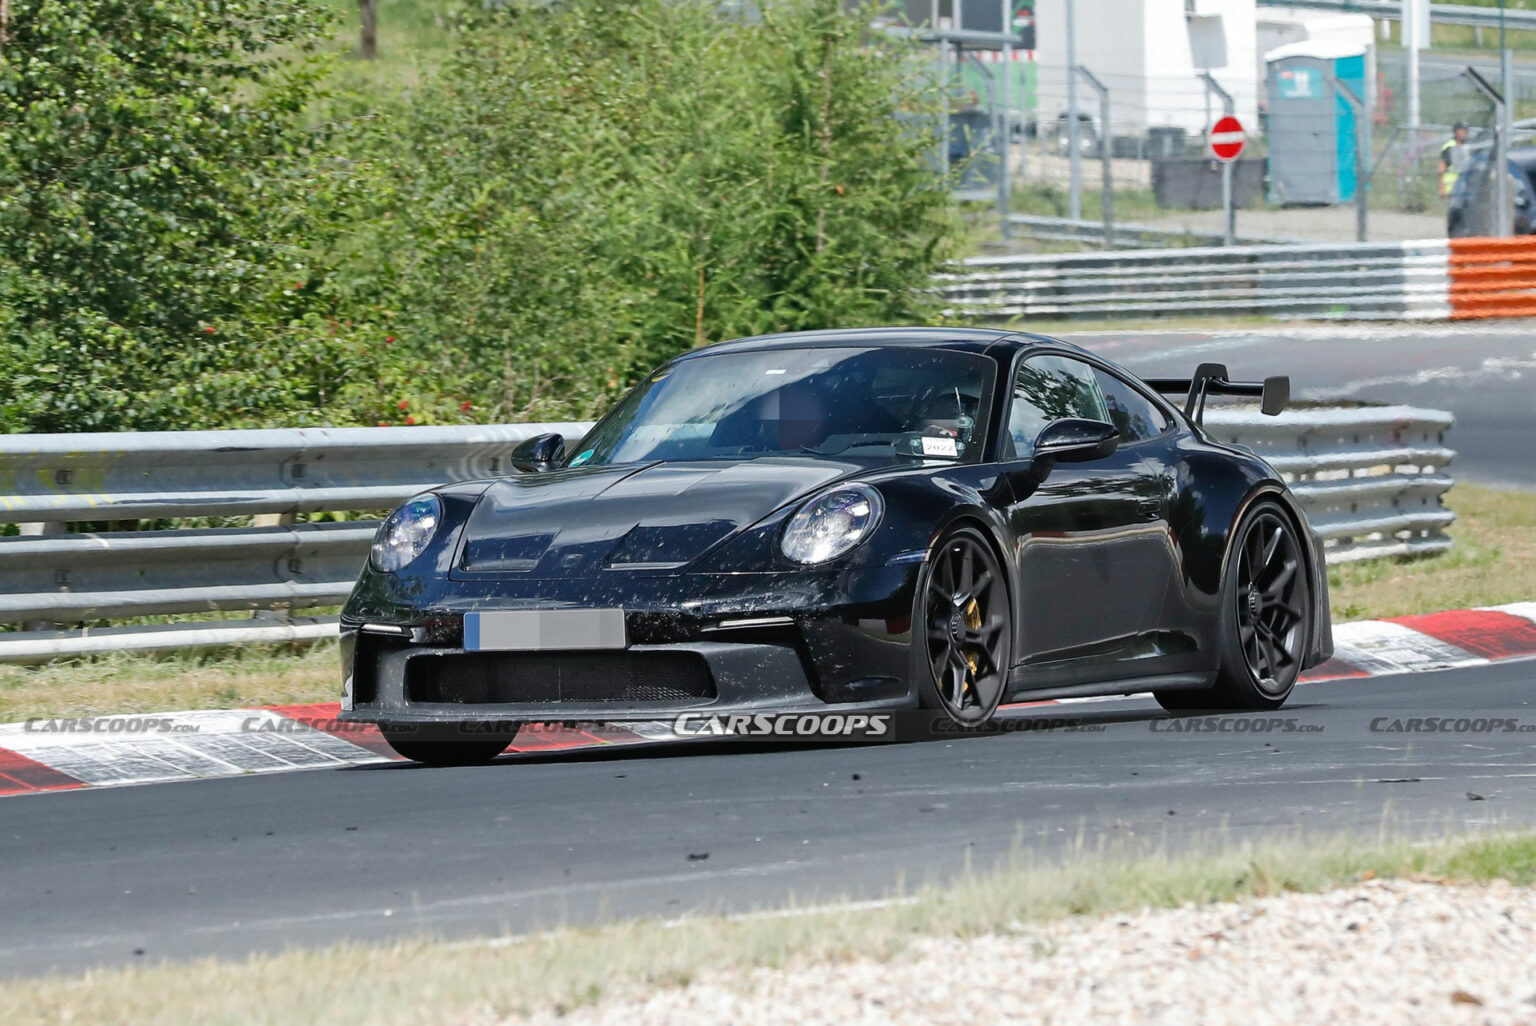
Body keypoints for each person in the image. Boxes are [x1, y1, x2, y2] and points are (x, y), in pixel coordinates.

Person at [1440, 121, 1471, 199]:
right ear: (1455, 132)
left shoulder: (1468, 146)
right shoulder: (1450, 147)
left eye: (1465, 131)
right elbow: (1441, 168)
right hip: (1452, 188)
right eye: (1461, 131)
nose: (1463, 133)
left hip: (1465, 188)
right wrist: (1442, 188)